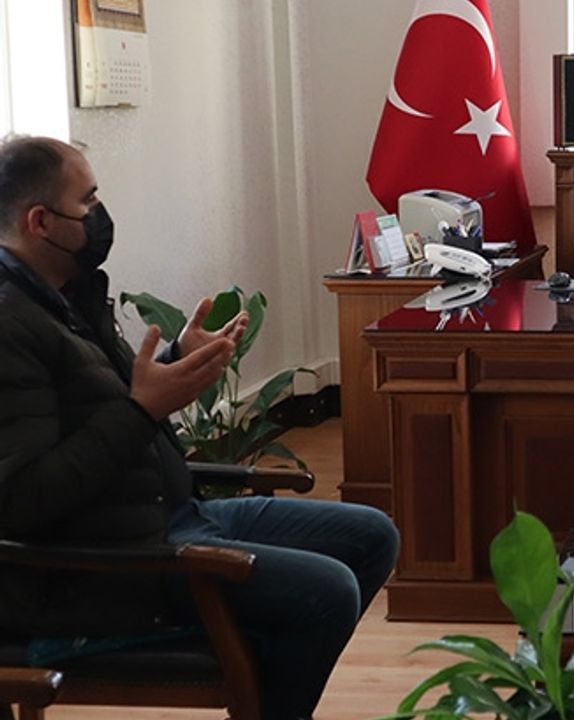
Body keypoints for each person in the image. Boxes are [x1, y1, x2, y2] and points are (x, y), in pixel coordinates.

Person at [0, 136, 400, 720]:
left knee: (373, 535)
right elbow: (21, 498)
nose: (101, 214)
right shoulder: (10, 323)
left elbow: (107, 402)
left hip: (168, 516)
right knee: (327, 591)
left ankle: (266, 693)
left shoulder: (67, 295)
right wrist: (144, 410)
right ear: (40, 222)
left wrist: (177, 363)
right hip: (103, 570)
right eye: (88, 201)